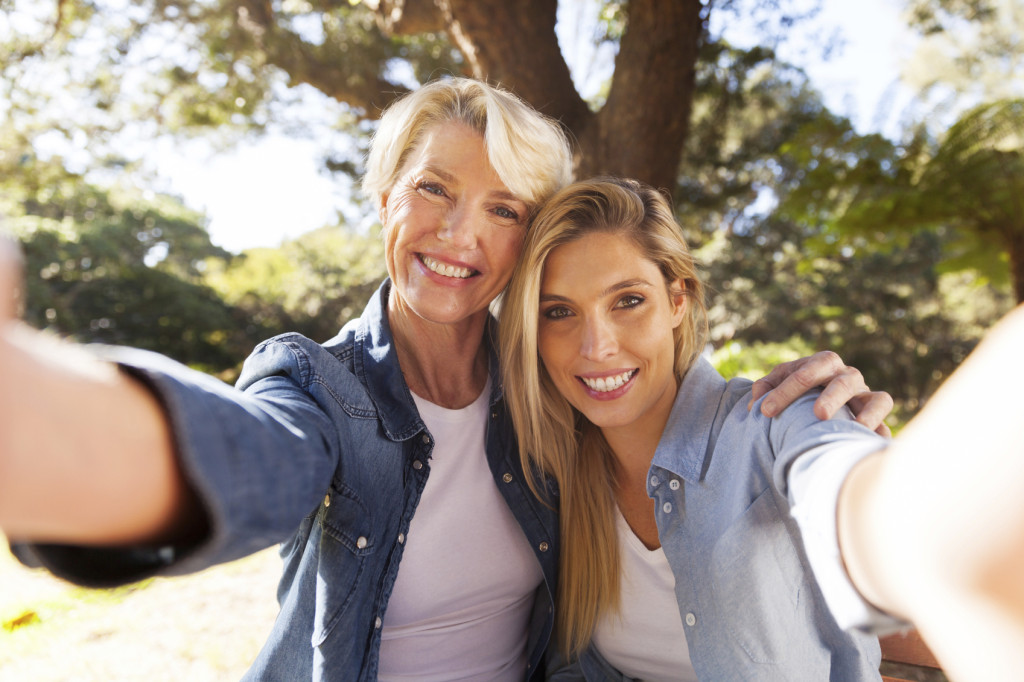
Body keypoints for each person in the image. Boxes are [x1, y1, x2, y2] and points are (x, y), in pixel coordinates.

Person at [0, 79, 892, 681]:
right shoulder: (321, 389)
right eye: (433, 189)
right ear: (385, 193)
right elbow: (253, 457)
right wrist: (37, 417)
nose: (460, 234)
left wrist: (837, 433)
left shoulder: (554, 395)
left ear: (527, 244)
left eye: (503, 208)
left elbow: (760, 456)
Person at [499, 176, 1024, 681]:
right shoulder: (552, 474)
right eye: (560, 312)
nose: (597, 346)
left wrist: (901, 529)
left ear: (678, 300)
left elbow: (844, 486)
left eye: (628, 301)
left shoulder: (776, 415)